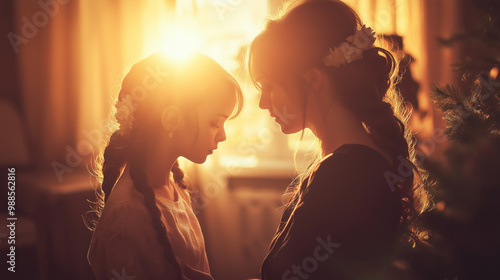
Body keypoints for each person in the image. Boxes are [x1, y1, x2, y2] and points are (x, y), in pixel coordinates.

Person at [247, 0, 432, 279]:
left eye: (269, 85)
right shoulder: (360, 162)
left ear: (313, 79)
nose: (262, 103)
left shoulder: (344, 174)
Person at [86, 52, 243, 280]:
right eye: (214, 123)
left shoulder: (174, 187)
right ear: (171, 120)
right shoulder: (126, 217)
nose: (223, 135)